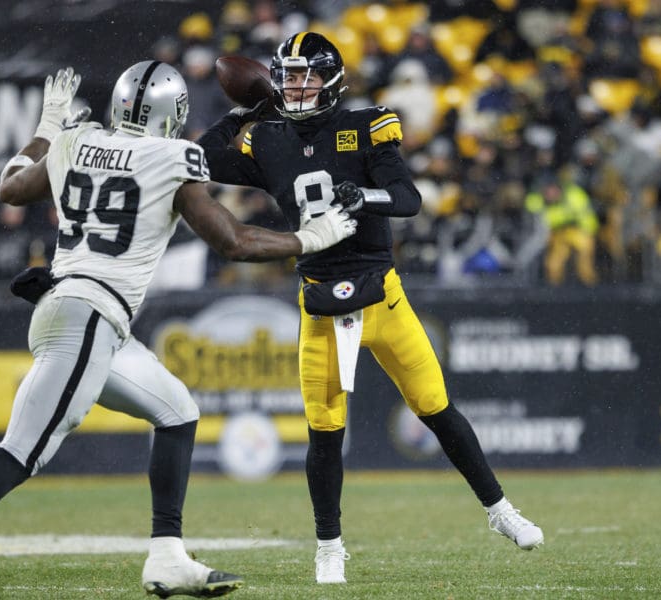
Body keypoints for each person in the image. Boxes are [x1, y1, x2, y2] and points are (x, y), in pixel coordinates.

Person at [0, 63, 357, 600]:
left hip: (81, 313)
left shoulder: (74, 140)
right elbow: (234, 242)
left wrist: (47, 126)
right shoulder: (173, 157)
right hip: (87, 314)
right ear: (172, 114)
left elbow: (11, 187)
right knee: (24, 450)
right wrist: (308, 238)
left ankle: (167, 556)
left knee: (178, 412)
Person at [197, 32, 544, 586]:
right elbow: (205, 160)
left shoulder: (366, 125)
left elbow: (407, 198)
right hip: (320, 301)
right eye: (286, 76)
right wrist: (243, 110)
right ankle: (329, 546)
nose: (294, 86)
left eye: (306, 74)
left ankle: (500, 511)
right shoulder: (266, 138)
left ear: (333, 79)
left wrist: (367, 196)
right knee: (325, 430)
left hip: (381, 293)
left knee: (436, 406)